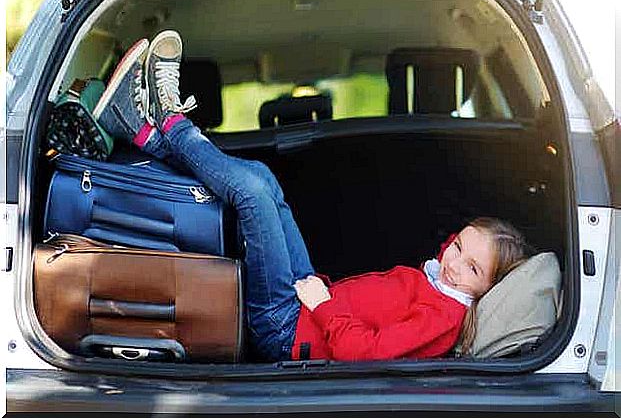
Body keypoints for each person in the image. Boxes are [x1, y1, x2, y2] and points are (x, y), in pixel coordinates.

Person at [92, 31, 533, 362]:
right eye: (458, 246)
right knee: (263, 179)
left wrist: (323, 309)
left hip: (288, 331)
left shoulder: (444, 318)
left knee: (250, 194)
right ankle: (140, 130)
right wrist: (321, 296)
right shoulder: (444, 280)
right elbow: (386, 298)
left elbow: (367, 354)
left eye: (472, 267)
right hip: (309, 302)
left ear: (489, 290)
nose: (454, 261)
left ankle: (168, 120)